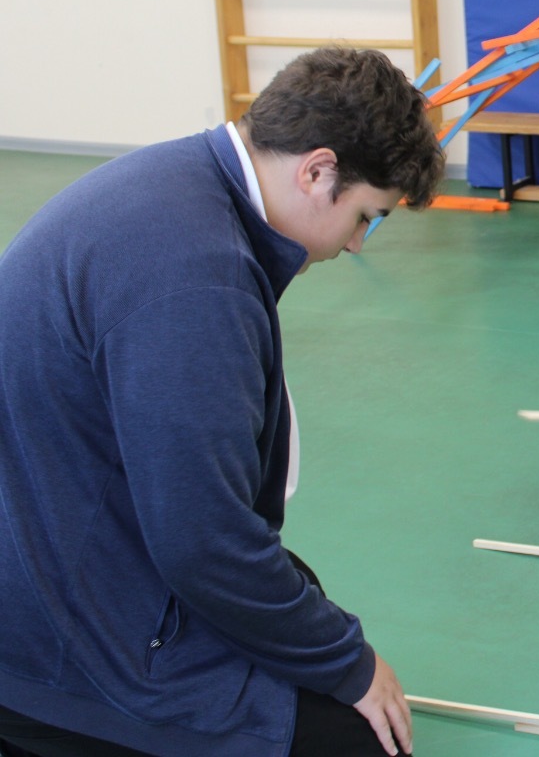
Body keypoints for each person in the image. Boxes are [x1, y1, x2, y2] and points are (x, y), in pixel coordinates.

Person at [0, 47, 446, 757]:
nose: (359, 244)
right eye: (366, 216)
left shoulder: (181, 179)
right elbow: (202, 543)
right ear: (317, 171)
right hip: (54, 640)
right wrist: (348, 665)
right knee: (359, 742)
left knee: (297, 595)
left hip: (57, 538)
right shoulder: (197, 280)